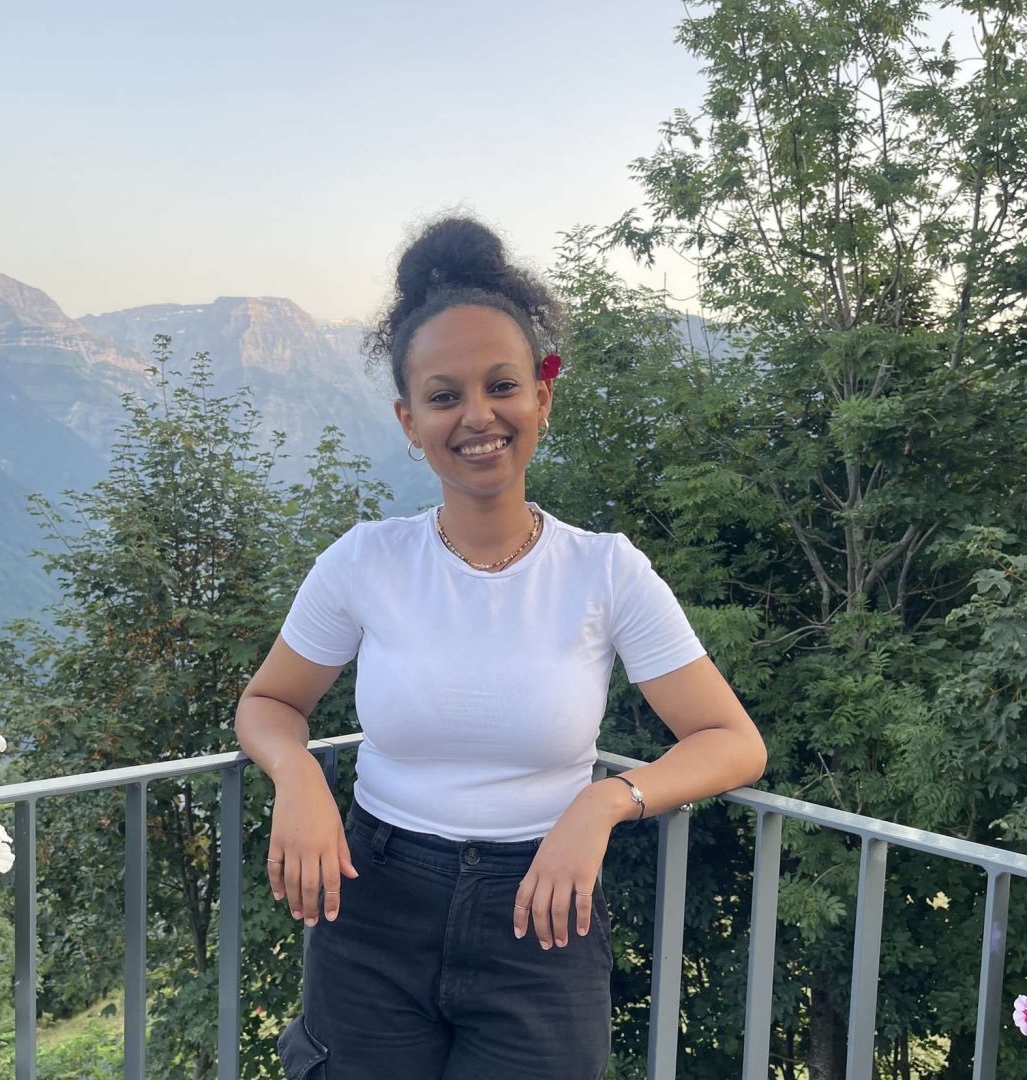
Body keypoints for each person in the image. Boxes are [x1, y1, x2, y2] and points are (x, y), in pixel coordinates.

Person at [235, 216, 766, 1080]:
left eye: (502, 386)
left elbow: (732, 741)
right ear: (409, 421)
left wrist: (602, 804)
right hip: (372, 904)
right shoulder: (365, 561)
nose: (477, 416)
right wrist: (299, 777)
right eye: (444, 396)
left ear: (541, 399)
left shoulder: (605, 572)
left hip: (543, 914)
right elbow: (269, 702)